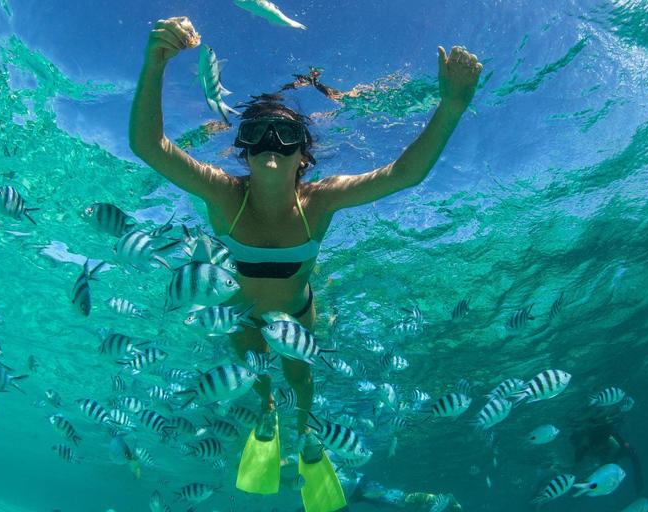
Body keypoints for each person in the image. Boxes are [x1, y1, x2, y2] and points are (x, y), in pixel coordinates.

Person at [129, 16, 481, 512]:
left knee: (301, 380)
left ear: (303, 155)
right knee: (257, 383)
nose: (272, 144)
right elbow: (149, 147)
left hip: (299, 314)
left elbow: (405, 174)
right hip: (239, 316)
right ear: (243, 150)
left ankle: (307, 434)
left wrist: (451, 105)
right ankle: (267, 416)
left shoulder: (320, 200)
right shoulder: (222, 192)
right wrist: (155, 65)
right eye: (257, 133)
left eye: (286, 134)